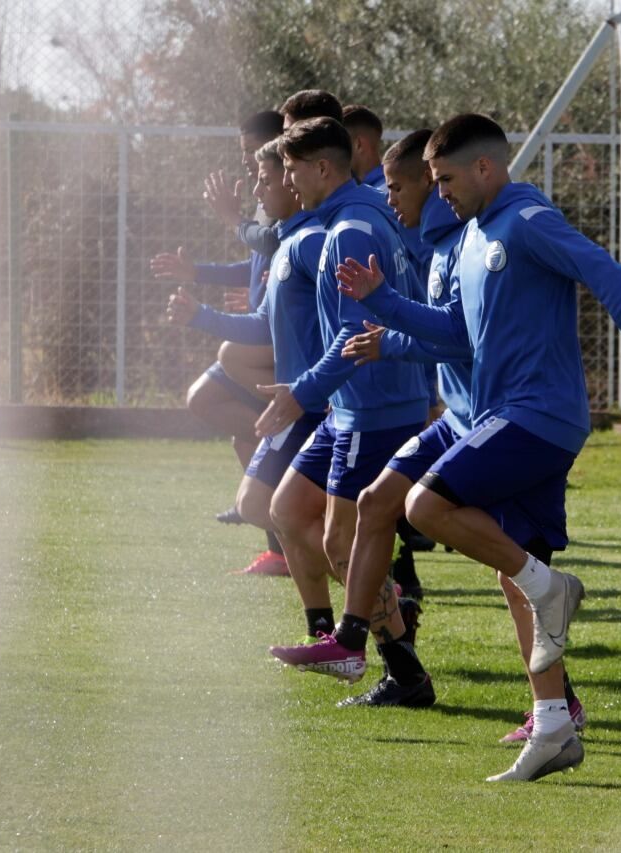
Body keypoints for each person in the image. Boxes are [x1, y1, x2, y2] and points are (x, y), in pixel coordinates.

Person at [336, 113, 621, 781]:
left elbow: (606, 274)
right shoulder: (472, 238)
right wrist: (384, 302)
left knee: (425, 506)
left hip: (537, 415)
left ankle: (555, 590)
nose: (440, 192)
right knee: (513, 573)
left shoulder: (525, 220)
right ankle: (552, 724)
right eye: (431, 182)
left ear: (485, 168)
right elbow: (457, 332)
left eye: (446, 178)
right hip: (507, 416)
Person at [255, 118, 429, 691]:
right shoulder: (356, 217)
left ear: (322, 168)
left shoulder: (348, 231)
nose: (285, 180)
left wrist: (300, 393)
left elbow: (354, 339)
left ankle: (391, 664)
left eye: (290, 168)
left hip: (372, 406)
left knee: (339, 542)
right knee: (285, 509)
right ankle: (357, 634)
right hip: (349, 408)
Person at [164, 140, 327, 578]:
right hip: (301, 383)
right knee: (233, 438)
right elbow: (259, 264)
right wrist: (204, 276)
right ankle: (343, 605)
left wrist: (202, 314)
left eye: (263, 170)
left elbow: (269, 321)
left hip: (315, 390)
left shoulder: (311, 234)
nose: (254, 181)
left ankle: (380, 595)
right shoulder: (289, 228)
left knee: (380, 504)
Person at [149, 110, 284, 571]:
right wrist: (198, 273)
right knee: (215, 410)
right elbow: (257, 261)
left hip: (283, 337)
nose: (246, 164)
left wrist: (232, 218)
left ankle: (289, 478)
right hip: (263, 325)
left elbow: (269, 246)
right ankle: (278, 540)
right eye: (243, 154)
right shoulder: (268, 196)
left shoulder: (291, 196)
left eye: (252, 154)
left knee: (225, 398)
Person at [340, 103, 439, 593]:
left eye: (398, 187)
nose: (392, 196)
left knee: (358, 519)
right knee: (378, 502)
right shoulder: (380, 214)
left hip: (406, 381)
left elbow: (449, 324)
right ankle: (383, 610)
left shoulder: (413, 223)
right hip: (409, 373)